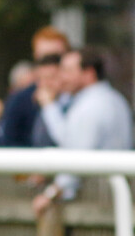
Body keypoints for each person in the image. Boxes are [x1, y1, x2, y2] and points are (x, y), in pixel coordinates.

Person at [32, 49, 133, 214]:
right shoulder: (114, 99)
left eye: (68, 71)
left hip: (95, 205)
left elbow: (77, 158)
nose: (62, 77)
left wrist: (49, 195)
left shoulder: (90, 106)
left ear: (89, 73)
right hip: (113, 199)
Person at [0, 26, 69, 147]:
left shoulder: (77, 98)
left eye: (57, 58)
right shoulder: (20, 100)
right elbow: (7, 143)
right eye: (44, 58)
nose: (51, 64)